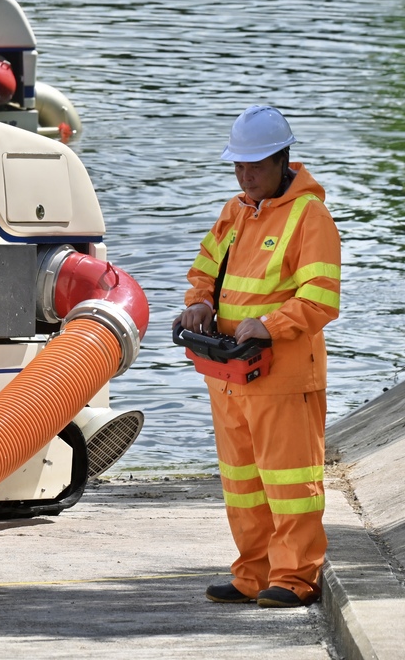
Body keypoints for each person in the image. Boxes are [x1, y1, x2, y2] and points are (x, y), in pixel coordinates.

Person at [176, 106, 340, 608]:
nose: (246, 176)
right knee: (243, 483)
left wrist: (269, 326)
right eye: (239, 167)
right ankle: (253, 574)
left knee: (289, 480)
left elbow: (321, 299)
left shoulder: (309, 216)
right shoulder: (235, 210)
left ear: (282, 160)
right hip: (229, 373)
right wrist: (199, 304)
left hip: (283, 376)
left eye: (256, 166)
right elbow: (204, 271)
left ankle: (295, 579)